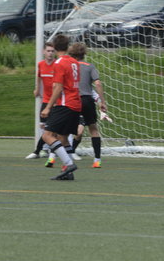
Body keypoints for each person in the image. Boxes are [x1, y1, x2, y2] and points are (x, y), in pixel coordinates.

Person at [41, 34, 82, 180]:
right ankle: (69, 173)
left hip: (65, 104)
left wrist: (48, 107)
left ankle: (69, 164)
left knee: (47, 135)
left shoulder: (59, 63)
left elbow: (58, 87)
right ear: (67, 46)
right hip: (76, 104)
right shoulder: (74, 62)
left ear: (55, 47)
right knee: (63, 138)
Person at [67, 42, 108, 168]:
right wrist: (102, 102)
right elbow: (98, 84)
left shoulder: (69, 66)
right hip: (87, 100)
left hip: (72, 99)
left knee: (64, 130)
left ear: (72, 53)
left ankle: (58, 158)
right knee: (93, 129)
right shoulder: (90, 66)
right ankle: (97, 160)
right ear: (84, 53)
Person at [26, 42, 55, 160]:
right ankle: (44, 149)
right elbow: (39, 77)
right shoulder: (41, 64)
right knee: (42, 125)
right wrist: (37, 89)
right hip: (46, 99)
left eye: (52, 51)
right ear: (43, 52)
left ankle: (43, 150)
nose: (50, 53)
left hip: (56, 101)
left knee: (53, 128)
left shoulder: (57, 65)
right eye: (48, 51)